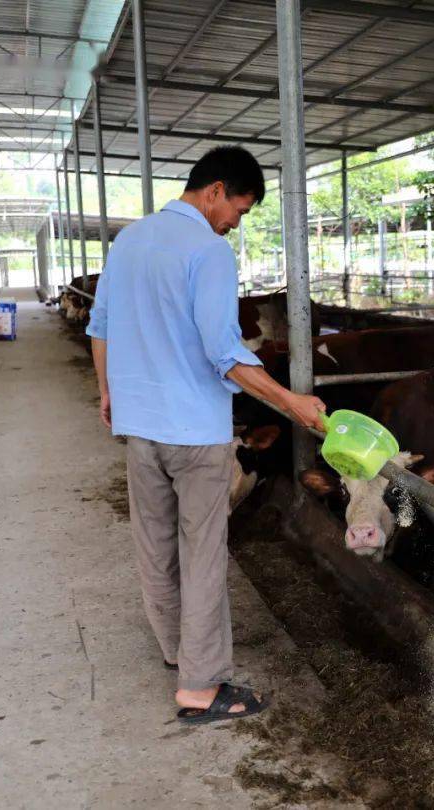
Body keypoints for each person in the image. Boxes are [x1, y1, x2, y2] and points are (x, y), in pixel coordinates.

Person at [86, 146, 326, 724]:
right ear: (215, 190)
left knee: (156, 547)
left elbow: (101, 326)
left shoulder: (130, 241)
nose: (235, 223)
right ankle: (200, 686)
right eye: (238, 210)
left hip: (140, 429)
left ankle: (177, 651)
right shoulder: (209, 252)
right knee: (202, 555)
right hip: (194, 432)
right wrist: (291, 402)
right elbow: (224, 354)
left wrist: (107, 392)